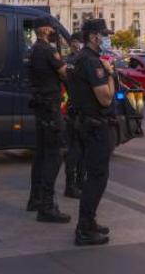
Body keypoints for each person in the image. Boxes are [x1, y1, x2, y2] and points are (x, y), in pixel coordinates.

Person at [70, 19, 116, 246]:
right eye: (102, 34)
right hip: (96, 126)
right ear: (92, 36)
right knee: (97, 178)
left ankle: (89, 222)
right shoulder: (92, 62)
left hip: (86, 123)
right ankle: (84, 229)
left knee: (93, 176)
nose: (105, 38)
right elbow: (106, 98)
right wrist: (110, 74)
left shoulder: (80, 59)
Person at [26, 16, 70, 223]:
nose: (54, 31)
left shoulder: (34, 49)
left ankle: (35, 199)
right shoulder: (47, 50)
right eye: (52, 28)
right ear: (44, 29)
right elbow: (64, 73)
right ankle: (47, 205)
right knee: (55, 153)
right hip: (50, 106)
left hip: (40, 104)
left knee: (41, 153)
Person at [63, 32, 86, 199]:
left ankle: (78, 181)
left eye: (78, 42)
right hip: (75, 109)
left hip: (76, 108)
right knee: (75, 149)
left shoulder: (70, 61)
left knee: (80, 149)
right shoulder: (74, 61)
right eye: (74, 42)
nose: (76, 45)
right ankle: (72, 184)